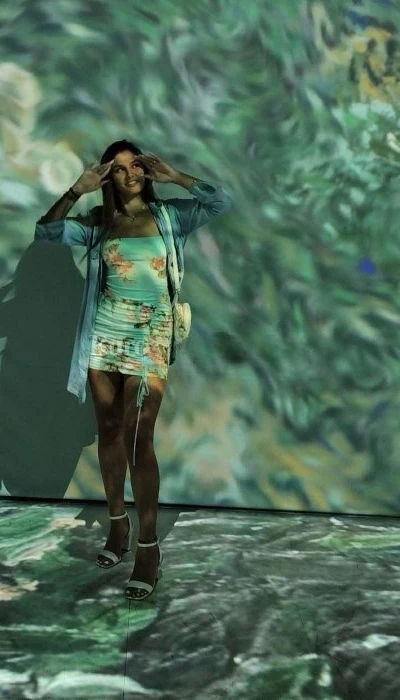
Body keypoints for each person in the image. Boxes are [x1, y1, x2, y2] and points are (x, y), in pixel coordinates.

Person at [34, 139, 233, 600]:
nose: (131, 174)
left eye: (137, 166)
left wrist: (176, 176)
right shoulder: (99, 223)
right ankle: (118, 524)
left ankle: (148, 546)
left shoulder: (170, 217)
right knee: (108, 432)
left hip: (150, 340)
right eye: (120, 169)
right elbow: (46, 233)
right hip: (104, 336)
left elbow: (221, 201)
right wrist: (76, 190)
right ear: (109, 178)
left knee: (139, 439)